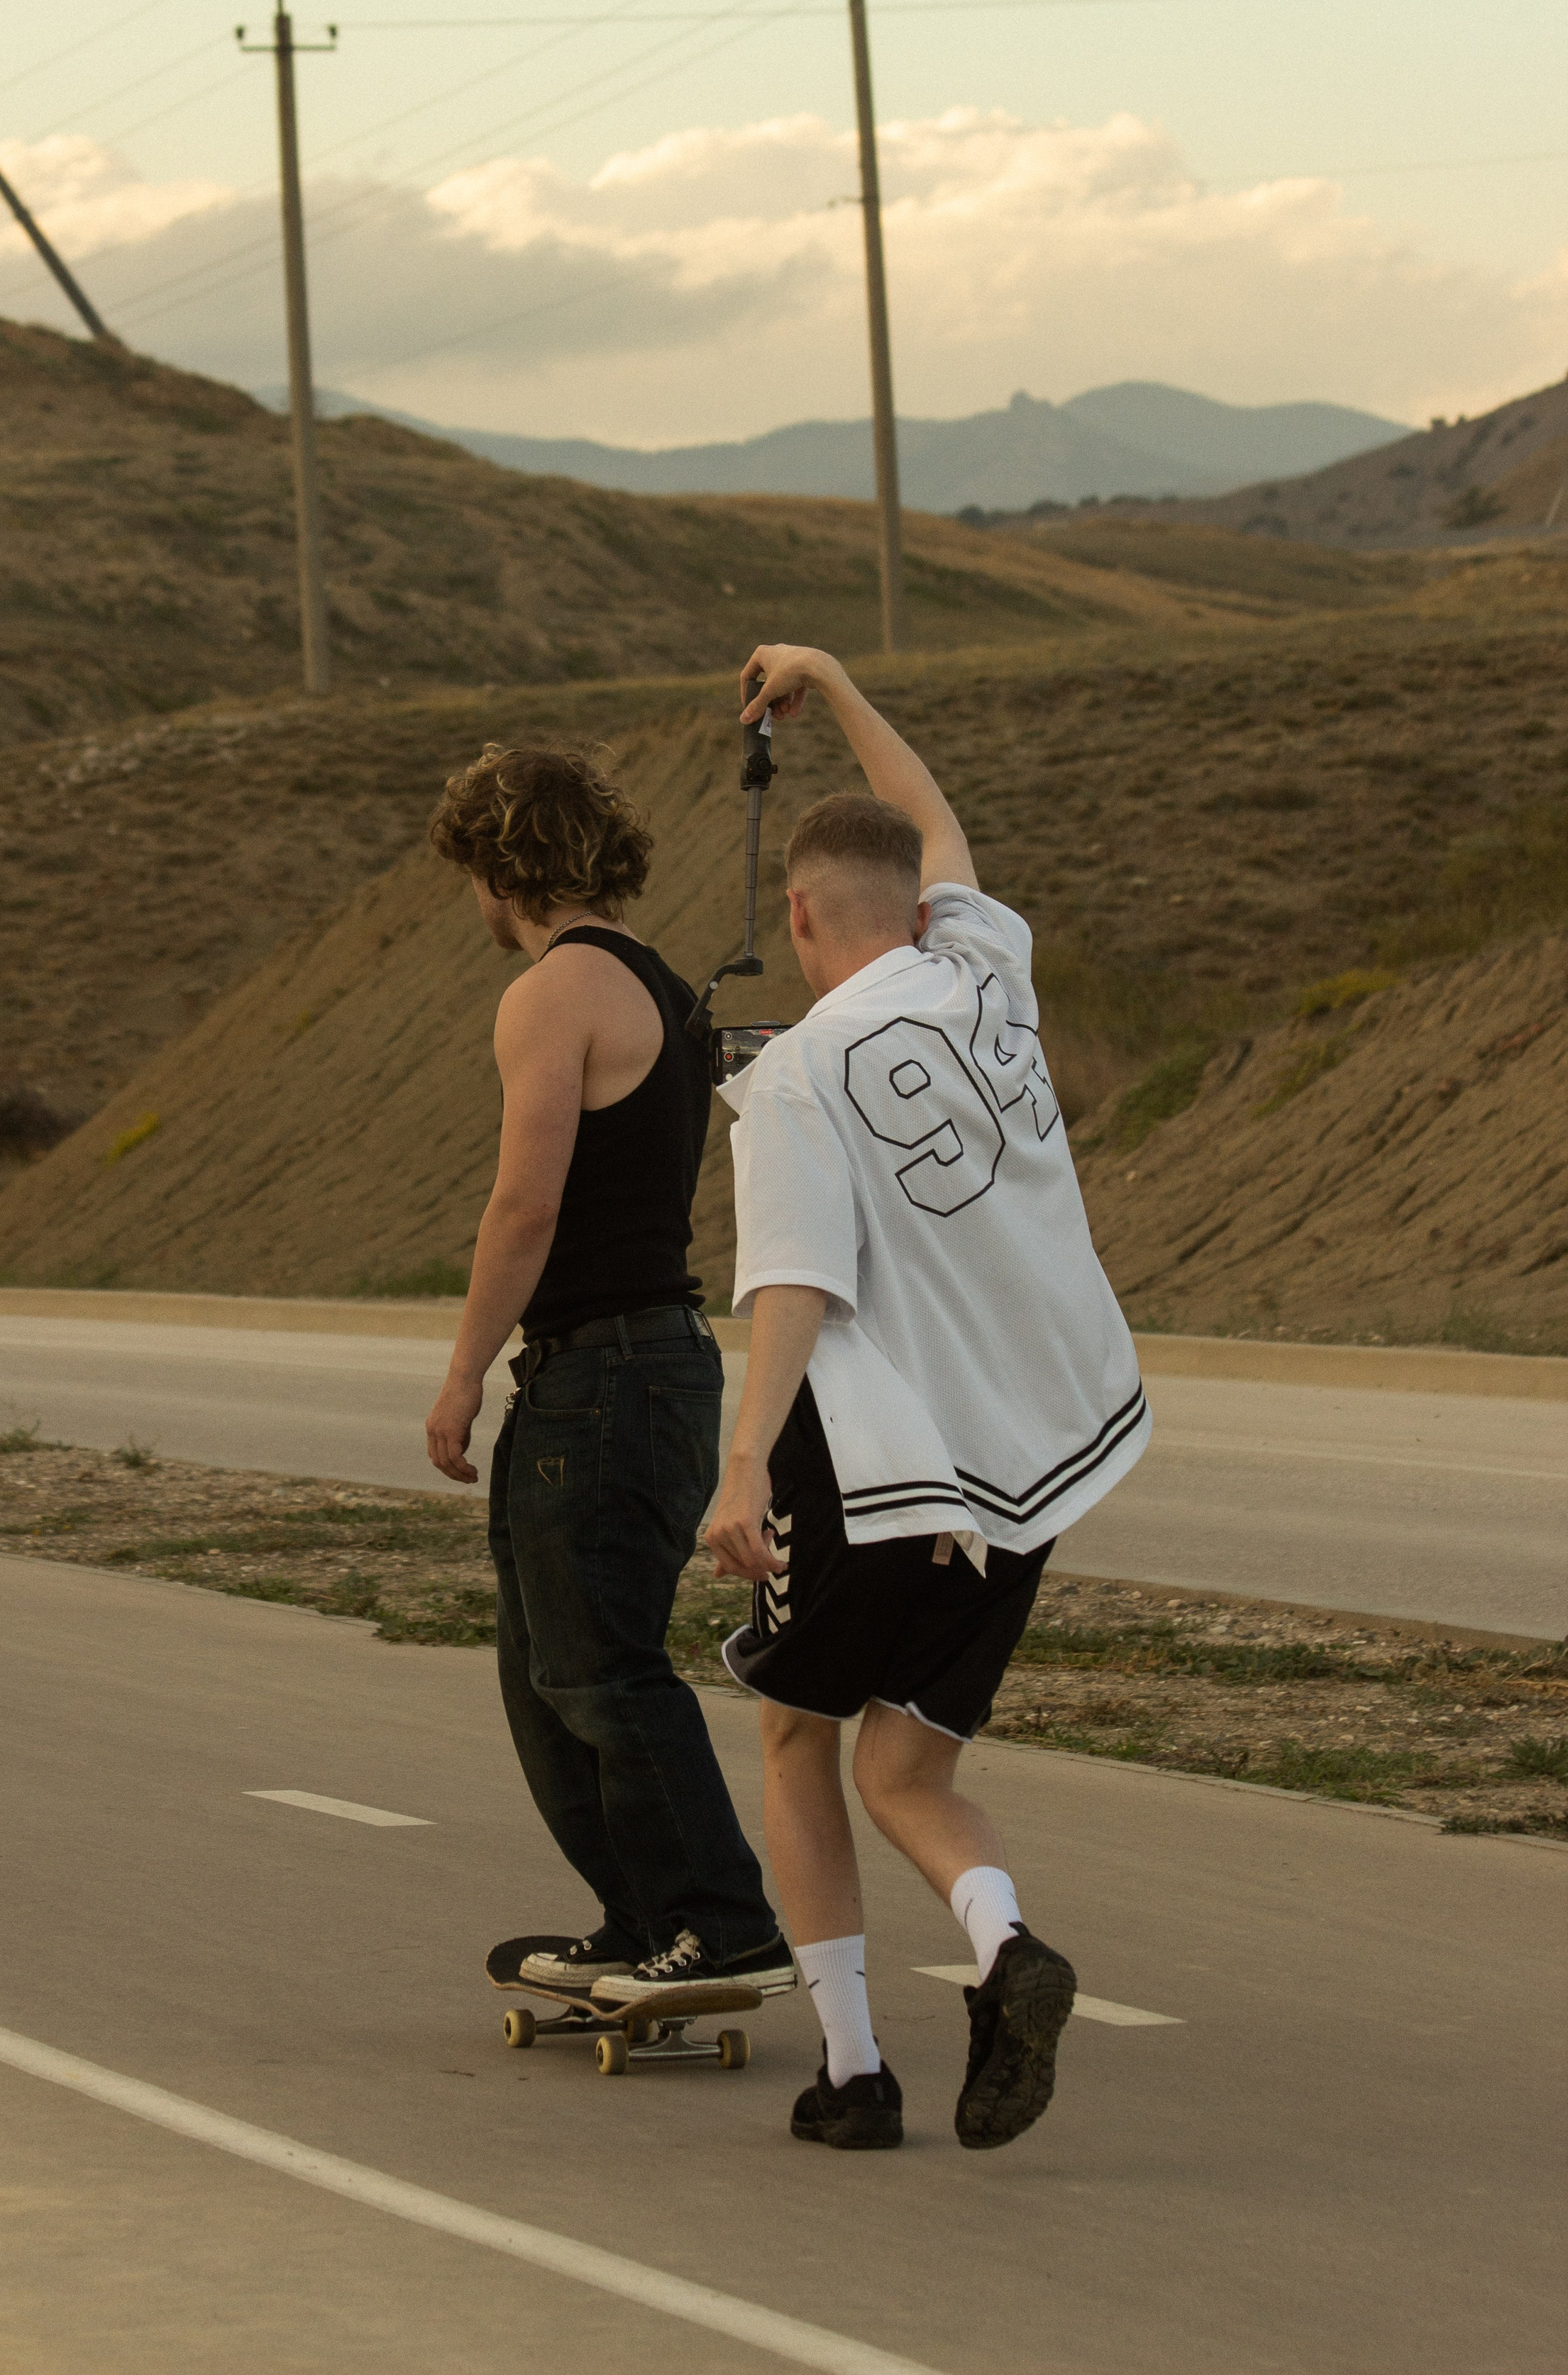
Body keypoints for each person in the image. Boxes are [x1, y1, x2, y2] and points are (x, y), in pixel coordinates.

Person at [704, 644, 1152, 2151]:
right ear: (913, 909)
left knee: (795, 1737)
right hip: (1039, 1458)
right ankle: (1005, 1947)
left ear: (795, 916)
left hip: (887, 1471)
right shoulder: (981, 970)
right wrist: (831, 684)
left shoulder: (794, 1078)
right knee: (907, 1766)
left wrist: (741, 1468)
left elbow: (791, 1285)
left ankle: (851, 2073)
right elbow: (937, 823)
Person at [424, 741, 795, 2004]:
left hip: (607, 1375)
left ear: (499, 866)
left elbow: (524, 1205)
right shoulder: (658, 984)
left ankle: (722, 1922)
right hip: (640, 1371)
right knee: (551, 1677)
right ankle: (644, 1921)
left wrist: (462, 1374)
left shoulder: (554, 992)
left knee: (599, 1670)